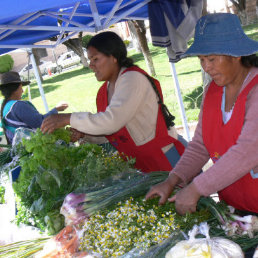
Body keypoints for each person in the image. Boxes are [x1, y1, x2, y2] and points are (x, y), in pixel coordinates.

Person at [146, 13, 258, 216]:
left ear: (236, 54)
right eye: (201, 59)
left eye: (212, 59)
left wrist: (197, 188)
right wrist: (172, 180)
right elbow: (201, 144)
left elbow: (249, 150)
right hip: (236, 206)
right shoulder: (212, 91)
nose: (206, 67)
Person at [41, 31, 187, 173]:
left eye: (95, 59)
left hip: (166, 156)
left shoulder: (132, 79)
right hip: (141, 162)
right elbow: (111, 132)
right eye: (90, 60)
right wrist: (83, 134)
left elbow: (112, 121)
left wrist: (68, 118)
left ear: (113, 57)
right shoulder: (103, 92)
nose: (91, 65)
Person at [0, 71, 68, 144]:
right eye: (21, 87)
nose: (22, 91)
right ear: (15, 90)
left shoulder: (6, 105)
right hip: (28, 147)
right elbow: (40, 122)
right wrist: (56, 109)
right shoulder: (17, 105)